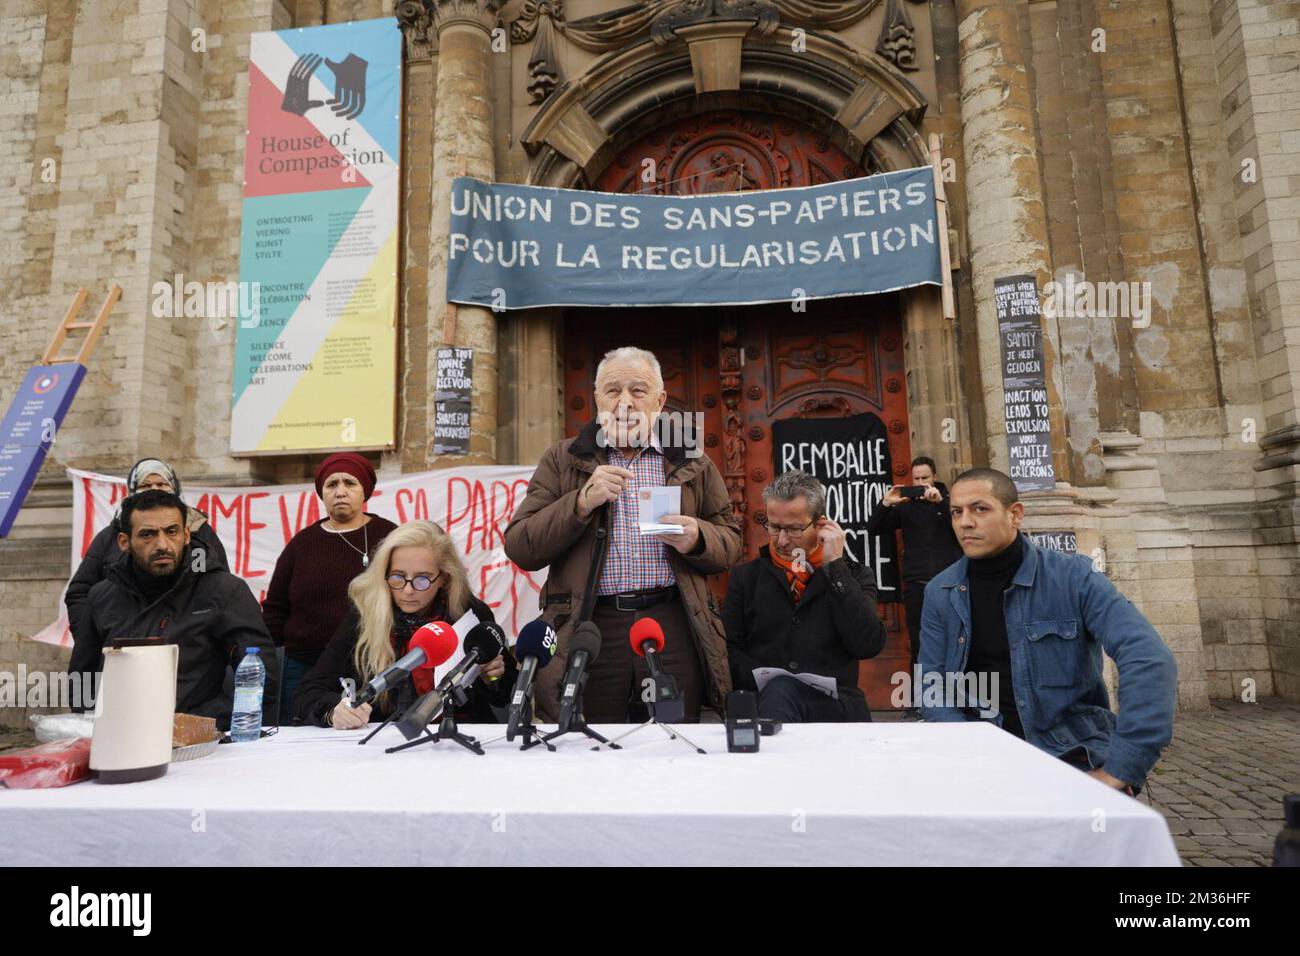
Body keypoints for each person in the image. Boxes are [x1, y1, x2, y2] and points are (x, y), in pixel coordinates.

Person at [504, 346, 743, 723]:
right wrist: (580, 502)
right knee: (592, 741)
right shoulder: (562, 459)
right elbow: (521, 546)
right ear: (597, 398)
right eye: (613, 391)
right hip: (592, 625)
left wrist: (699, 537)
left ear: (660, 400)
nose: (625, 403)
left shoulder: (691, 458)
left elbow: (731, 542)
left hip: (672, 618)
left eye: (639, 391)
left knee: (673, 734)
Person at [918, 467, 1177, 793]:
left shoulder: (1073, 578)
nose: (965, 522)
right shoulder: (940, 591)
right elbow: (932, 686)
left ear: (1015, 515)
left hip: (1071, 754)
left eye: (980, 509)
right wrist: (969, 752)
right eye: (957, 512)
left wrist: (1123, 766)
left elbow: (1149, 658)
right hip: (980, 761)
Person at [71, 490, 278, 729]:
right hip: (119, 739)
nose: (162, 545)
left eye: (171, 532)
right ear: (124, 542)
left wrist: (197, 724)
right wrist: (97, 729)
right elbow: (81, 679)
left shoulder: (224, 591)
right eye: (147, 534)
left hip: (201, 745)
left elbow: (262, 679)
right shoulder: (101, 597)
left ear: (186, 535)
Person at [293, 520, 515, 729]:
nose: (408, 590)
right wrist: (334, 711)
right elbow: (309, 691)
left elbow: (504, 695)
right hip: (383, 744)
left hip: (460, 738)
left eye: (422, 579)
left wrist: (492, 677)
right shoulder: (365, 616)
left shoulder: (470, 613)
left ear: (444, 579)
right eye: (398, 577)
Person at [724, 470, 886, 721]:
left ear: (821, 525)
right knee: (780, 690)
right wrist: (762, 678)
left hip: (835, 707)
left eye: (794, 529)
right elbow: (731, 648)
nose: (782, 540)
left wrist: (835, 567)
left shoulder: (854, 575)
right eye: (774, 527)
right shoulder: (746, 577)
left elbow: (867, 644)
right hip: (767, 705)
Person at [262, 452, 398, 723]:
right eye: (332, 485)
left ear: (364, 492)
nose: (340, 491)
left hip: (370, 666)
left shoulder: (389, 536)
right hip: (303, 669)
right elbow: (275, 609)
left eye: (349, 483)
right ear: (322, 493)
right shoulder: (302, 544)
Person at [65, 458, 228, 643]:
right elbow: (79, 593)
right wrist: (91, 638)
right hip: (124, 642)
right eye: (146, 485)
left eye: (161, 484)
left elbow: (219, 585)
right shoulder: (109, 536)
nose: (154, 489)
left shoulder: (200, 531)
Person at [865, 455, 963, 680]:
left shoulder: (951, 502)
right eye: (916, 478)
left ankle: (959, 698)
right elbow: (873, 528)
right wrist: (887, 503)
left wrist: (941, 504)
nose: (920, 483)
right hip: (917, 586)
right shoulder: (906, 507)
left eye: (925, 478)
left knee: (956, 639)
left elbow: (965, 527)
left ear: (935, 477)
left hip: (950, 584)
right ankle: (920, 702)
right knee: (920, 643)